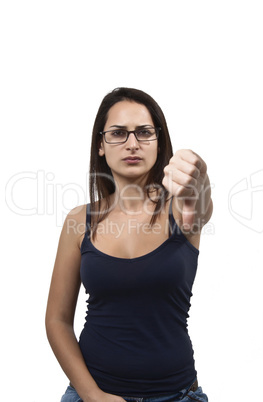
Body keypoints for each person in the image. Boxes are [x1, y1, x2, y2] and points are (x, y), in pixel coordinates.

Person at [45, 87, 213, 402]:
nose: (132, 143)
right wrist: (92, 395)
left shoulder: (180, 208)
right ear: (100, 145)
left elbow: (199, 205)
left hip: (176, 395)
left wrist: (198, 178)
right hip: (92, 395)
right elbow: (56, 320)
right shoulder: (79, 220)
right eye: (119, 133)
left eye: (144, 133)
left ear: (158, 142)